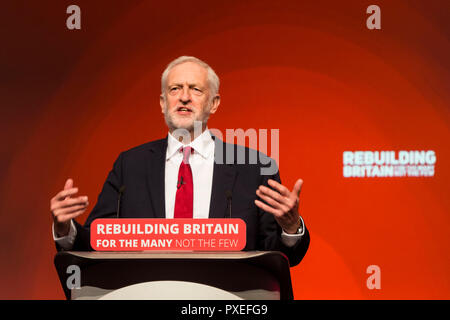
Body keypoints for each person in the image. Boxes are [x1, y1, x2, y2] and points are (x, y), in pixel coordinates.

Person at [50, 56, 309, 266]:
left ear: (214, 103)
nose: (184, 97)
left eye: (196, 89)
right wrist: (65, 229)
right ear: (163, 103)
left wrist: (291, 227)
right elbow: (97, 241)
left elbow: (277, 259)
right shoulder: (130, 165)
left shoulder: (254, 168)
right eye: (175, 89)